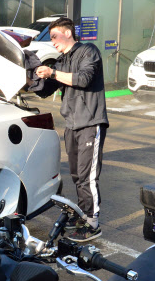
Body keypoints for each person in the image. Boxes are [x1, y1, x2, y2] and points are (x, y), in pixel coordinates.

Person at [35, 16, 108, 243]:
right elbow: (45, 90)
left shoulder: (88, 51)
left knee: (87, 176)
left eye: (54, 36)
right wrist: (33, 78)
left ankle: (93, 223)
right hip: (72, 124)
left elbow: (84, 79)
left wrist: (53, 73)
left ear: (67, 33)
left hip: (91, 122)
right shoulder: (61, 60)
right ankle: (84, 215)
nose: (53, 41)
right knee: (77, 174)